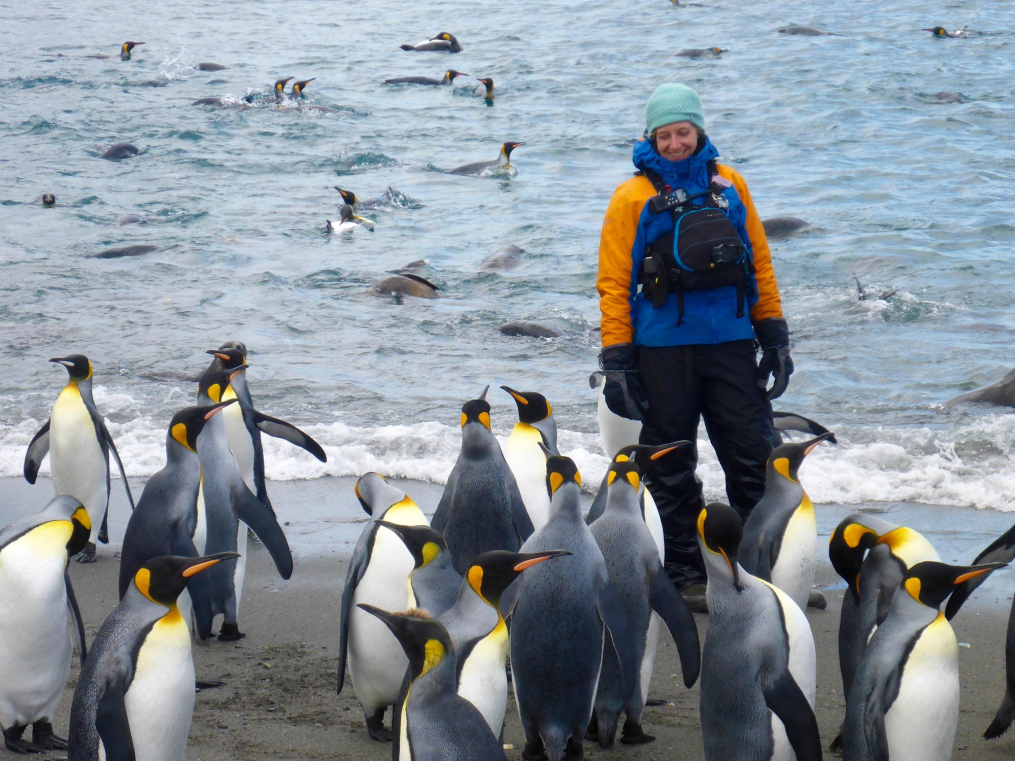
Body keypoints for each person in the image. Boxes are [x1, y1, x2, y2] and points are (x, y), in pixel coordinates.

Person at [596, 83, 792, 606]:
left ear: (699, 131)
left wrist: (774, 335)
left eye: (683, 132)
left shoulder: (730, 185)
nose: (676, 143)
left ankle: (757, 572)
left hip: (731, 343)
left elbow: (760, 263)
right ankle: (685, 574)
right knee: (670, 465)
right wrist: (617, 363)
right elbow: (614, 283)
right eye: (665, 134)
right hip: (662, 352)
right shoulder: (633, 197)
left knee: (754, 458)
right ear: (650, 137)